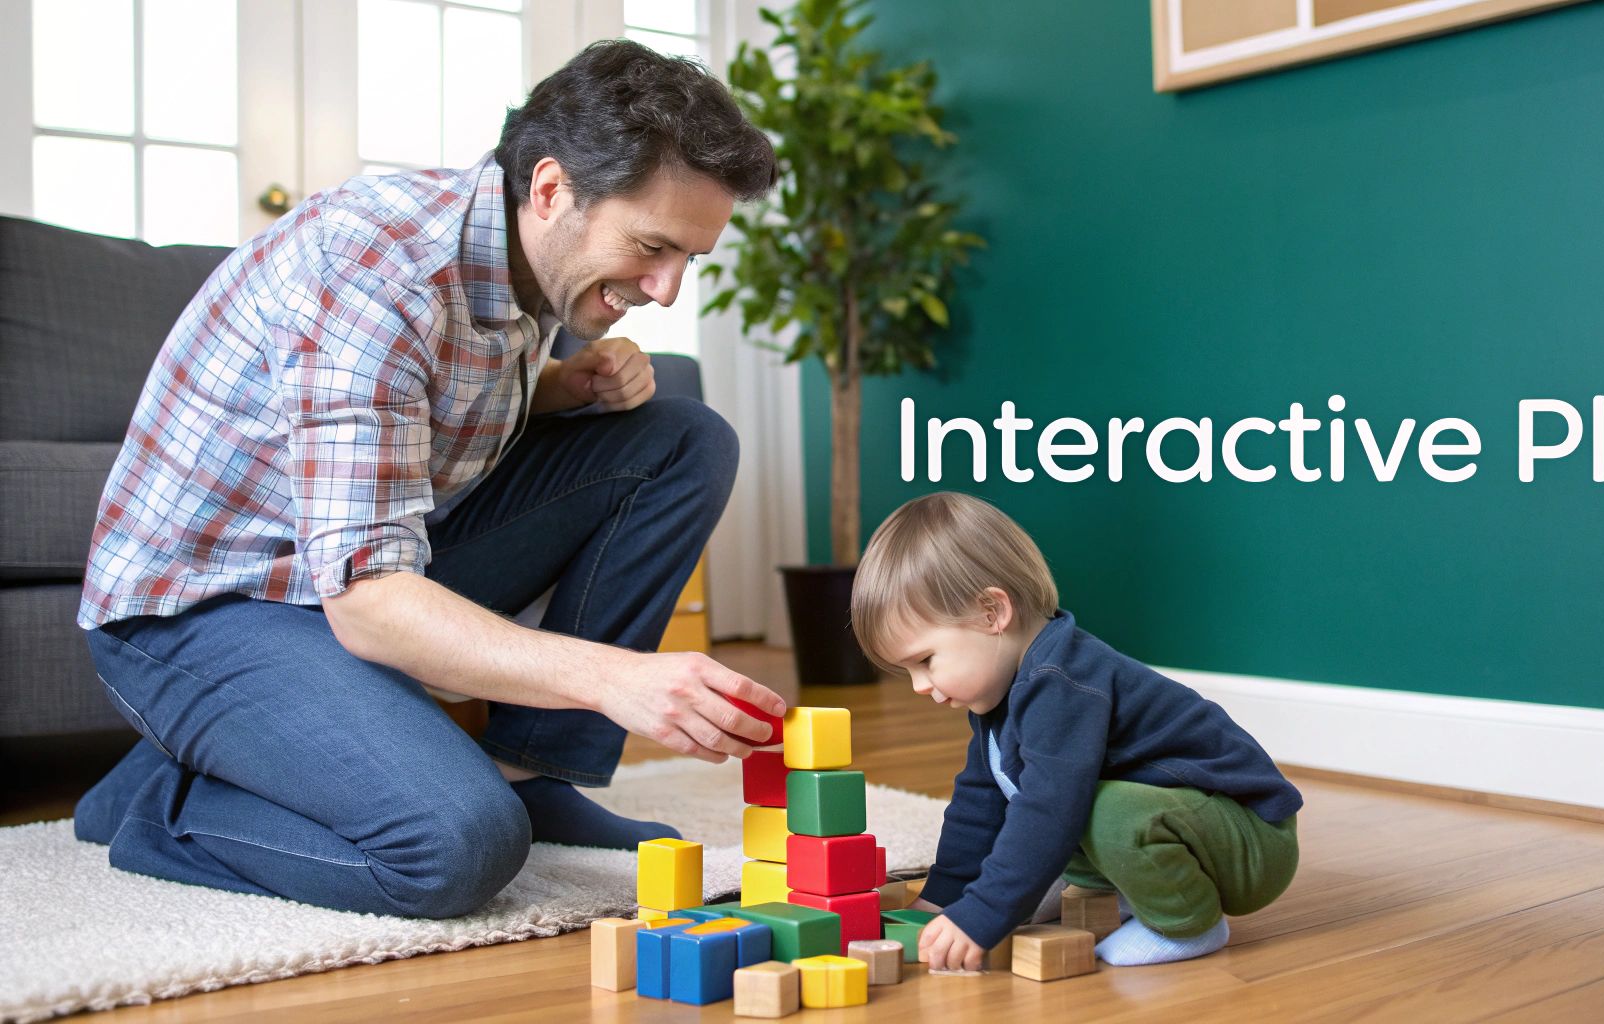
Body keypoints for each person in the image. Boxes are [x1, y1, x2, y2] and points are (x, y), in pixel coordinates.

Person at [70, 40, 785, 919]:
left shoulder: (528, 258)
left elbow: (419, 431)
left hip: (337, 573)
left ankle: (535, 772)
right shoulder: (374, 273)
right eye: (652, 247)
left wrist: (562, 390)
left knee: (681, 437)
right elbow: (370, 599)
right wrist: (612, 678)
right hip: (203, 610)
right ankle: (155, 804)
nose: (667, 289)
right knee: (452, 848)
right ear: (553, 190)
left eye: (689, 259)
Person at [849, 492, 1303, 969]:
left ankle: (1190, 924)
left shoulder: (1063, 683)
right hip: (1185, 821)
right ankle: (1085, 887)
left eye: (925, 661)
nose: (920, 686)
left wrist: (985, 911)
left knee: (1083, 809)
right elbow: (978, 804)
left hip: (1252, 842)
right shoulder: (1001, 697)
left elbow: (1049, 809)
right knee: (1018, 798)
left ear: (991, 613)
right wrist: (944, 898)